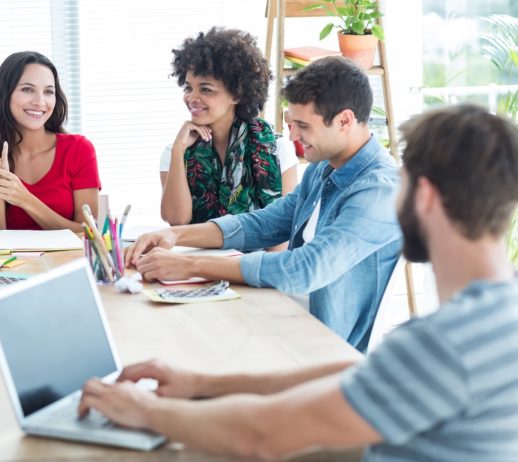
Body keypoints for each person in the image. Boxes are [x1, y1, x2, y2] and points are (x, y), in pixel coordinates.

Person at [80, 104, 518, 461]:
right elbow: (364, 374)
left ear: (424, 195)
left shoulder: (446, 344)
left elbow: (263, 435)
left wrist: (147, 410)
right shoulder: (495, 312)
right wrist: (202, 384)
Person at [128, 56, 402, 352]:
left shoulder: (378, 191)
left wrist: (190, 265)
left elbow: (305, 269)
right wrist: (173, 235)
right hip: (291, 315)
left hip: (323, 346)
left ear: (344, 120)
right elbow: (264, 223)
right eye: (291, 124)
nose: (294, 136)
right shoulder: (323, 170)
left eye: (303, 126)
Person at [160, 27, 298, 225]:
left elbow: (282, 233)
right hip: (194, 256)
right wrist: (178, 151)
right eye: (188, 87)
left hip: (256, 256)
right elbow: (177, 221)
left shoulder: (277, 149)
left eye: (206, 89)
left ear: (237, 94)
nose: (192, 98)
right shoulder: (175, 152)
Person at [0, 51, 100, 231]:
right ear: (5, 94)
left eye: (48, 92)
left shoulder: (79, 149)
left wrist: (25, 199)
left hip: (67, 260)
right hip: (10, 260)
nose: (40, 101)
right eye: (27, 89)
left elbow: (89, 233)